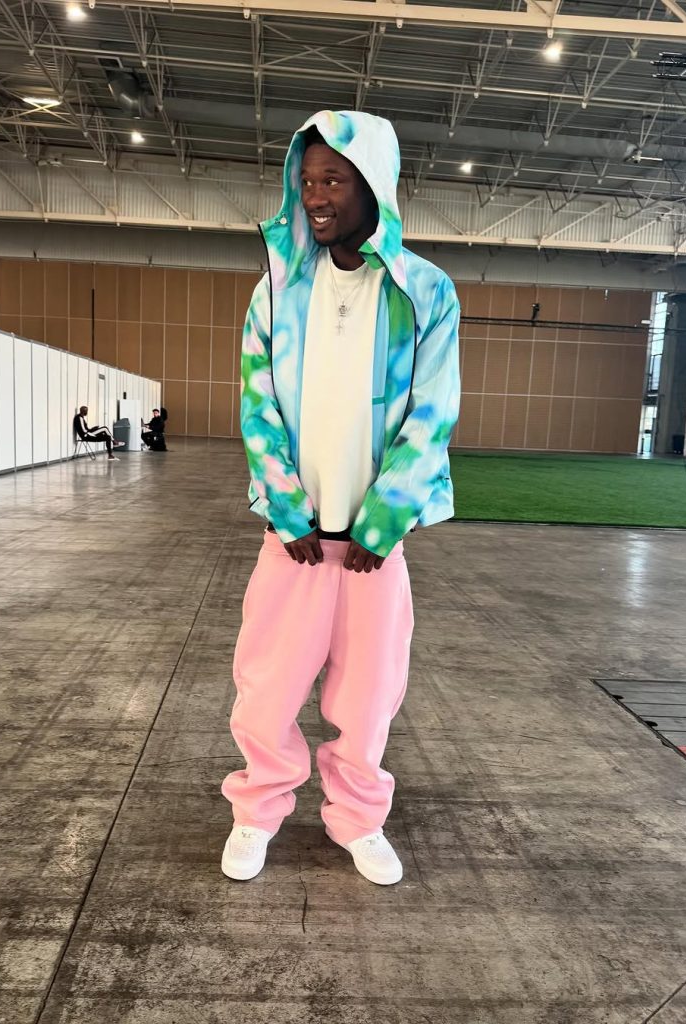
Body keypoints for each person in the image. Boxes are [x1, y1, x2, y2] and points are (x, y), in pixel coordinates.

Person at [220, 111, 461, 886]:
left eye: (333, 179)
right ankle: (257, 813)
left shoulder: (424, 292)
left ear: (373, 186)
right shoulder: (277, 292)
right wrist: (284, 508)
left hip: (372, 549)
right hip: (292, 539)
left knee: (367, 699)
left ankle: (357, 820)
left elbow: (433, 412)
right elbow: (256, 404)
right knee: (265, 691)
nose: (315, 195)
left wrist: (384, 523)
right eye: (307, 179)